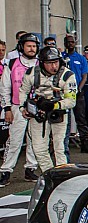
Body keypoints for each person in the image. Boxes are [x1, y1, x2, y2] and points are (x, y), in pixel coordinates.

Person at [20, 46, 77, 173]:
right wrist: (23, 108)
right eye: (49, 63)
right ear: (41, 63)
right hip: (38, 114)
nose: (53, 67)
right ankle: (50, 174)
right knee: (39, 148)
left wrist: (54, 105)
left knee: (60, 148)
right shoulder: (31, 73)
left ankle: (62, 176)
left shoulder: (68, 75)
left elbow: (71, 101)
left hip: (59, 113)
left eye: (55, 62)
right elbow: (23, 91)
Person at [0, 33, 40, 186]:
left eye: (34, 46)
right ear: (21, 46)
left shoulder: (41, 64)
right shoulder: (11, 64)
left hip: (37, 107)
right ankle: (6, 171)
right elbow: (4, 88)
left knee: (34, 139)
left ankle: (30, 169)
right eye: (29, 46)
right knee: (15, 140)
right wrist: (7, 108)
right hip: (17, 106)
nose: (32, 49)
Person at [62, 34, 88, 155]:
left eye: (72, 42)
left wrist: (79, 88)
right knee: (64, 120)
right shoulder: (61, 58)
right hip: (64, 93)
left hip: (78, 93)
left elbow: (84, 76)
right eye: (68, 42)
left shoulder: (81, 58)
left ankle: (84, 144)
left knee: (81, 118)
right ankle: (63, 145)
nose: (70, 44)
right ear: (65, 43)